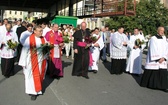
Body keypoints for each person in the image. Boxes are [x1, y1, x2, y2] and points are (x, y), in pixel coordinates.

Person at [18, 25, 48, 100]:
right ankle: (33, 92)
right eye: (40, 31)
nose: (42, 32)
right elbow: (24, 51)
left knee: (40, 75)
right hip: (31, 61)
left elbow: (47, 48)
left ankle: (38, 90)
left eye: (42, 31)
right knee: (31, 77)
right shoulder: (29, 39)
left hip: (41, 61)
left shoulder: (43, 39)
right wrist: (23, 63)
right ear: (34, 31)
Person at [140, 26, 168, 92]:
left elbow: (167, 48)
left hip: (163, 59)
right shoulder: (153, 38)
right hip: (155, 59)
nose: (162, 32)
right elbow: (153, 48)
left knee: (163, 72)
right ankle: (150, 84)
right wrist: (158, 58)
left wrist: (164, 57)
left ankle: (164, 86)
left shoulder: (164, 39)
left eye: (163, 31)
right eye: (161, 30)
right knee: (152, 71)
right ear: (157, 31)